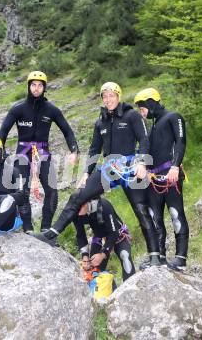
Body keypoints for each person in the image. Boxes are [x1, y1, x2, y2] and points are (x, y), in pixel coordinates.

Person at [33, 82, 162, 267]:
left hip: (130, 167)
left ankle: (155, 256)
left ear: (119, 96)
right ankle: (51, 235)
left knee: (142, 211)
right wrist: (86, 173)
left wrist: (142, 163)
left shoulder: (132, 115)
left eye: (112, 95)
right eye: (105, 96)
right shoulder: (100, 121)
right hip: (109, 169)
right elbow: (94, 150)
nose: (108, 99)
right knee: (78, 196)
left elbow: (143, 139)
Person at [0, 71, 79, 233]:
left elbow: (67, 131)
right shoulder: (18, 109)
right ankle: (28, 229)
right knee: (22, 192)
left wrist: (74, 150)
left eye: (40, 85)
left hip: (43, 153)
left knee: (52, 192)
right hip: (22, 154)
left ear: (44, 88)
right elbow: (3, 132)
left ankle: (45, 228)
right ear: (28, 86)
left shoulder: (51, 110)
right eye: (33, 85)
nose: (36, 88)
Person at [134, 88, 189, 271]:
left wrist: (175, 166)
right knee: (155, 218)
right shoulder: (153, 127)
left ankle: (180, 259)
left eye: (142, 108)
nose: (142, 113)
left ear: (151, 103)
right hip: (154, 178)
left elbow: (181, 142)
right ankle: (160, 257)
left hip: (171, 175)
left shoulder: (174, 117)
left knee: (175, 215)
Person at [74, 198, 135, 282]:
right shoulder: (75, 212)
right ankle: (110, 291)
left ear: (86, 203)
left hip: (117, 233)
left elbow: (114, 233)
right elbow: (80, 235)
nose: (78, 212)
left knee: (125, 256)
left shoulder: (104, 205)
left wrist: (102, 254)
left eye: (80, 208)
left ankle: (129, 288)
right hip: (100, 236)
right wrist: (85, 257)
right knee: (94, 269)